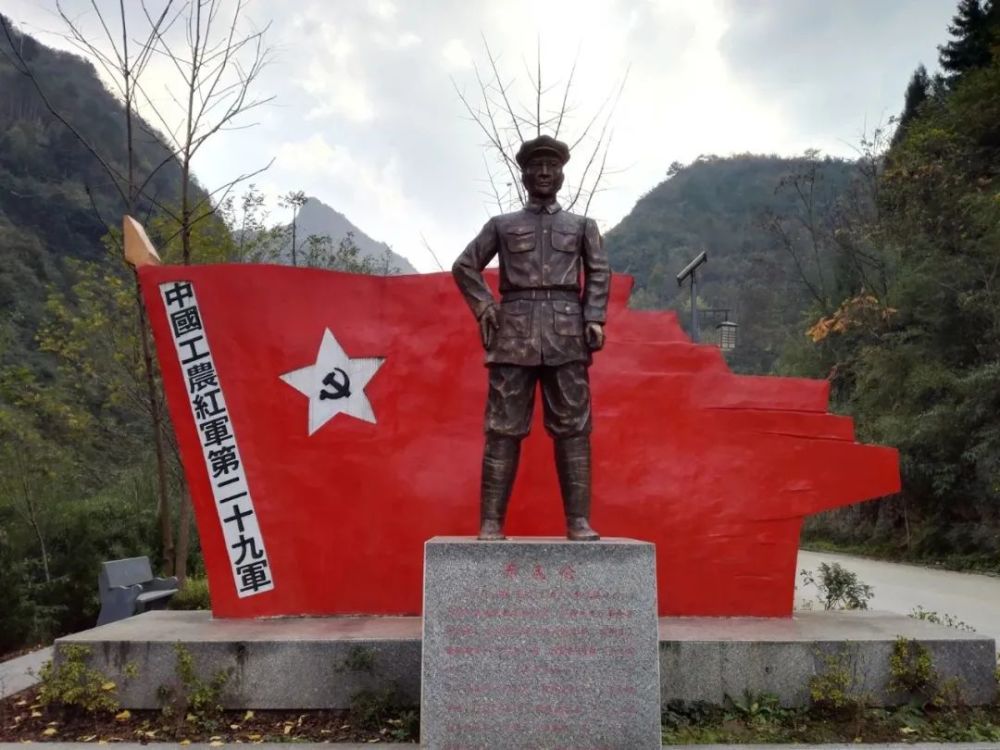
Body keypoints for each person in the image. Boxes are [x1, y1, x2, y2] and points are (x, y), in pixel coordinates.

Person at [452, 134, 610, 541]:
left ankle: (578, 522)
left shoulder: (582, 226)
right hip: (514, 334)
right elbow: (465, 266)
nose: (543, 173)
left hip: (566, 333)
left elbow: (598, 272)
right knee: (502, 428)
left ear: (561, 174)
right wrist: (486, 306)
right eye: (535, 167)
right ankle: (490, 523)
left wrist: (594, 317)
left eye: (551, 167)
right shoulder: (502, 226)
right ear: (523, 174)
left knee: (574, 428)